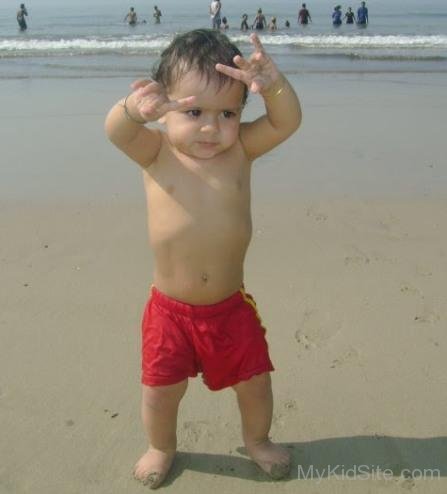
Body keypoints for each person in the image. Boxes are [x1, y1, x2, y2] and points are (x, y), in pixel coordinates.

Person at [105, 28, 301, 489]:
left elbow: (286, 121)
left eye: (228, 113)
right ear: (163, 108)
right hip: (169, 312)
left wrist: (273, 84)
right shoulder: (155, 151)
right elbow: (116, 130)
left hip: (230, 308)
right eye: (193, 112)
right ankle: (161, 446)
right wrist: (133, 110)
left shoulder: (242, 151)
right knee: (160, 391)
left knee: (255, 383)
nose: (212, 127)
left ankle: (257, 439)